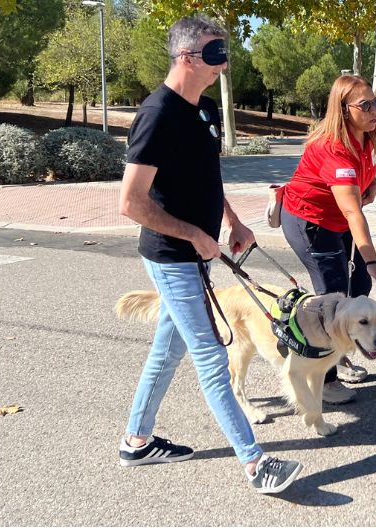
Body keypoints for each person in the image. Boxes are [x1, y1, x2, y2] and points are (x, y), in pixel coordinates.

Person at [117, 13, 301, 494]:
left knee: (168, 348)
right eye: (215, 54)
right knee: (210, 356)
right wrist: (194, 237)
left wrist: (232, 221)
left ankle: (136, 440)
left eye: (225, 53)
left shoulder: (205, 111)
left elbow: (205, 180)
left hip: (197, 249)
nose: (224, 64)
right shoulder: (157, 115)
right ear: (186, 57)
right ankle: (255, 464)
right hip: (170, 255)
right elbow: (131, 203)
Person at [280, 73, 376, 406]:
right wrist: (373, 261)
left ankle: (342, 350)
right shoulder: (333, 149)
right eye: (365, 105)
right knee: (332, 298)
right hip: (308, 220)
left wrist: (370, 186)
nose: (374, 111)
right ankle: (322, 379)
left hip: (338, 220)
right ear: (344, 110)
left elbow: (365, 177)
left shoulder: (368, 136)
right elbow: (354, 213)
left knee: (358, 288)